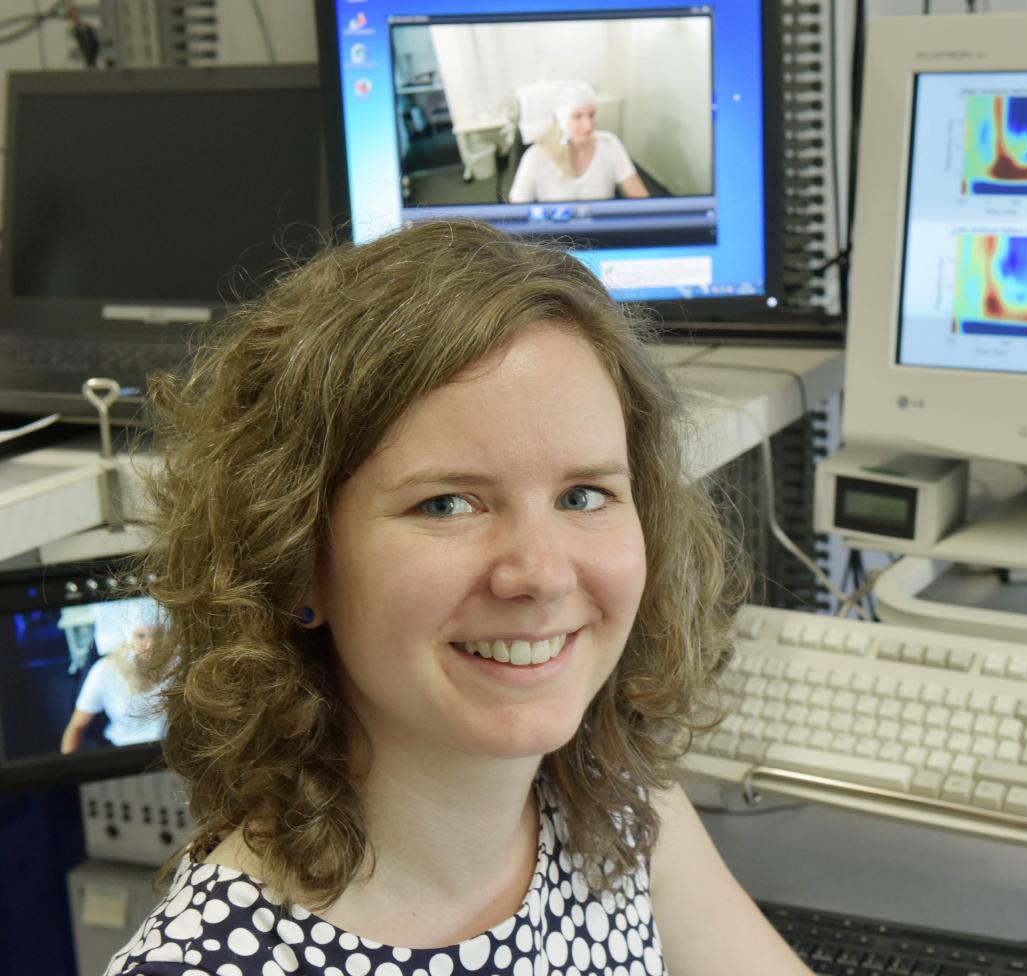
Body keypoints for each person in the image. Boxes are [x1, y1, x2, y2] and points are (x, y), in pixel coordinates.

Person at [106, 220, 812, 975]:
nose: (540, 573)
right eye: (447, 504)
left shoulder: (614, 807)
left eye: (583, 494)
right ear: (296, 565)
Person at [508, 81, 650, 204]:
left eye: (592, 114)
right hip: (555, 235)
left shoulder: (610, 145)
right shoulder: (536, 156)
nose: (588, 126)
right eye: (577, 117)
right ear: (561, 119)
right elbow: (515, 214)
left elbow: (641, 199)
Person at [59, 620, 164, 753]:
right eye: (141, 636)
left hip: (172, 750)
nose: (150, 644)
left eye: (158, 635)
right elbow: (76, 727)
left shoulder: (178, 663)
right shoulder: (104, 670)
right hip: (125, 752)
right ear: (127, 637)